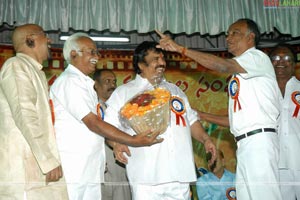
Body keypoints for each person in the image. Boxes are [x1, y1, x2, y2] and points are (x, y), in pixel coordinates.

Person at [156, 18, 283, 200]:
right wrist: (200, 115)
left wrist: (180, 49)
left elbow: (222, 65)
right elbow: (233, 120)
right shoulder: (242, 71)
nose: (228, 38)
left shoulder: (256, 58)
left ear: (251, 37)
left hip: (259, 141)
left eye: (235, 33)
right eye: (227, 34)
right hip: (245, 143)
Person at [49, 33, 162, 200]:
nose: (97, 56)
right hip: (74, 169)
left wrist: (115, 143)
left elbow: (97, 126)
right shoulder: (70, 82)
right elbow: (93, 123)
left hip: (88, 168)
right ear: (73, 54)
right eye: (91, 52)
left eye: (96, 52)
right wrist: (132, 140)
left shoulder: (84, 84)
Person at [104, 41, 217, 200]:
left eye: (163, 58)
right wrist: (116, 144)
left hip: (179, 175)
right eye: (156, 59)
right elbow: (107, 127)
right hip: (146, 177)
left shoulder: (175, 90)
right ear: (141, 65)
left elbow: (191, 120)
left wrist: (206, 140)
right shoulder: (123, 93)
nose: (162, 63)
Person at [0, 24, 68, 199]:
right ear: (30, 40)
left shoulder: (34, 71)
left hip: (36, 165)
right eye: (44, 35)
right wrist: (48, 159)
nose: (50, 40)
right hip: (24, 169)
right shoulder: (16, 65)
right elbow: (25, 114)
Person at [93, 69, 132, 200]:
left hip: (121, 170)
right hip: (99, 173)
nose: (112, 85)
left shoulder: (124, 109)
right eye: (107, 81)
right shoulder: (89, 109)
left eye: (114, 81)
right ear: (96, 85)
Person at [269, 44, 300, 200]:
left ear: (294, 63)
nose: (281, 61)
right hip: (277, 161)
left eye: (287, 58)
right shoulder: (264, 90)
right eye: (275, 58)